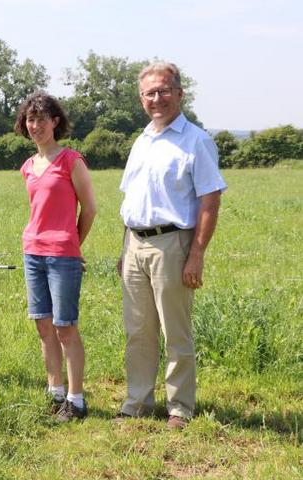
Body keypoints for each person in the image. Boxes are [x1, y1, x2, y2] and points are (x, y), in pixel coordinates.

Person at [117, 62, 227, 429]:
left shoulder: (196, 140)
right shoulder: (141, 140)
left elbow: (209, 201)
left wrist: (196, 254)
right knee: (138, 330)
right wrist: (123, 250)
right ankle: (138, 402)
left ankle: (179, 407)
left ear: (179, 93)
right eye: (149, 93)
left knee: (174, 331)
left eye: (164, 90)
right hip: (135, 242)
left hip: (172, 244)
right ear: (141, 99)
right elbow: (131, 199)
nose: (156, 98)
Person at [15, 91, 97, 422]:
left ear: (55, 122)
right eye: (30, 120)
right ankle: (55, 393)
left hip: (62, 254)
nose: (35, 125)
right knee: (43, 326)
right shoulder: (28, 167)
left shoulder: (71, 161)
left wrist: (72, 244)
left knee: (65, 328)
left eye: (41, 119)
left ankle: (76, 401)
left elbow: (90, 208)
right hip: (32, 251)